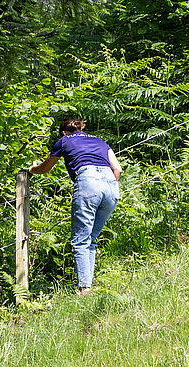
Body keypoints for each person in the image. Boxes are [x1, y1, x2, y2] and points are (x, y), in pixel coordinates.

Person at [28, 119, 122, 294]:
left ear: (63, 132)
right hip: (111, 186)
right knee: (91, 239)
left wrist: (33, 170)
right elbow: (118, 169)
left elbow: (46, 167)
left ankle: (84, 289)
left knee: (80, 240)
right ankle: (87, 286)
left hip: (88, 182)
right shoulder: (100, 141)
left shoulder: (64, 141)